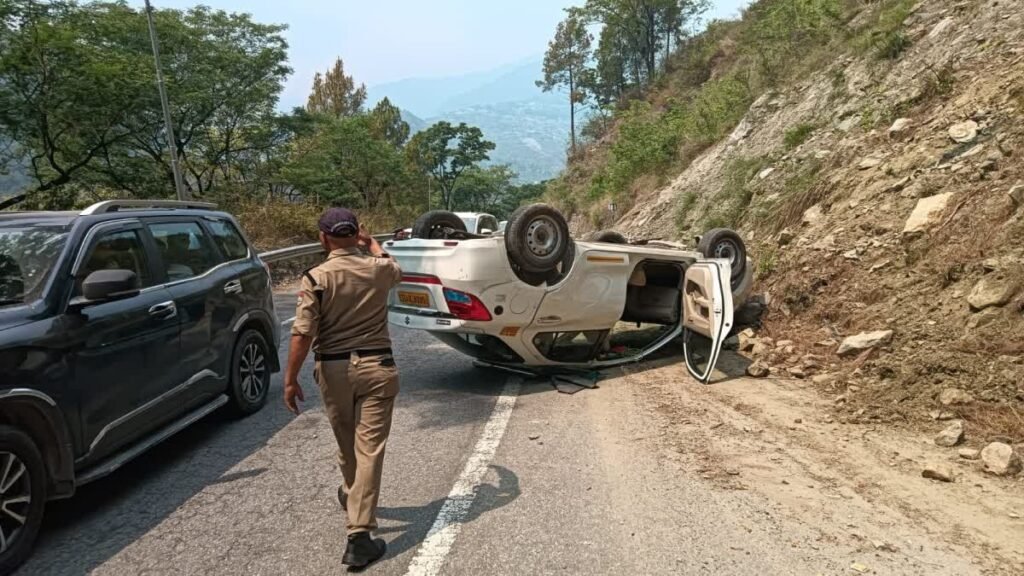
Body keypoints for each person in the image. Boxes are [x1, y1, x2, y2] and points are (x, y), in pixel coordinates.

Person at [283, 207, 402, 570]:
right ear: (356, 234)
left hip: (332, 370)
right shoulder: (379, 269)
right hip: (377, 367)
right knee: (369, 449)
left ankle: (357, 521)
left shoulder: (315, 278)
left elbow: (303, 333)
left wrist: (290, 379)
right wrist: (373, 243)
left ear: (323, 238)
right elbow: (393, 266)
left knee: (348, 444)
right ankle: (358, 528)